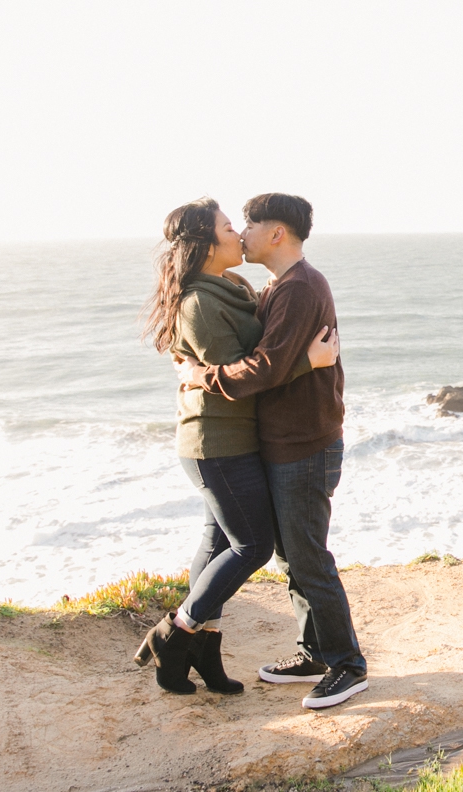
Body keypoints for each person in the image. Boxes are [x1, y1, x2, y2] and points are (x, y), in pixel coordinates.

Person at [133, 197, 339, 696]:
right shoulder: (199, 304)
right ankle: (177, 631)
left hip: (239, 438)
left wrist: (284, 362)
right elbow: (251, 376)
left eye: (242, 225)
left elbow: (254, 364)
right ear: (206, 244)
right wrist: (304, 364)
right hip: (217, 441)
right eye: (230, 226)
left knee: (220, 541)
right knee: (254, 545)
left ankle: (201, 647)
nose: (238, 233)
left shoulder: (237, 286)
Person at [176, 192, 366, 710]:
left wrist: (200, 376)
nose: (242, 233)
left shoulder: (300, 289)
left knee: (308, 555)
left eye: (250, 225)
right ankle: (315, 652)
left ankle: (348, 665)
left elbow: (265, 368)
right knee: (290, 555)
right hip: (286, 443)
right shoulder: (278, 287)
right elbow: (270, 360)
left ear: (276, 233)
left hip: (305, 444)